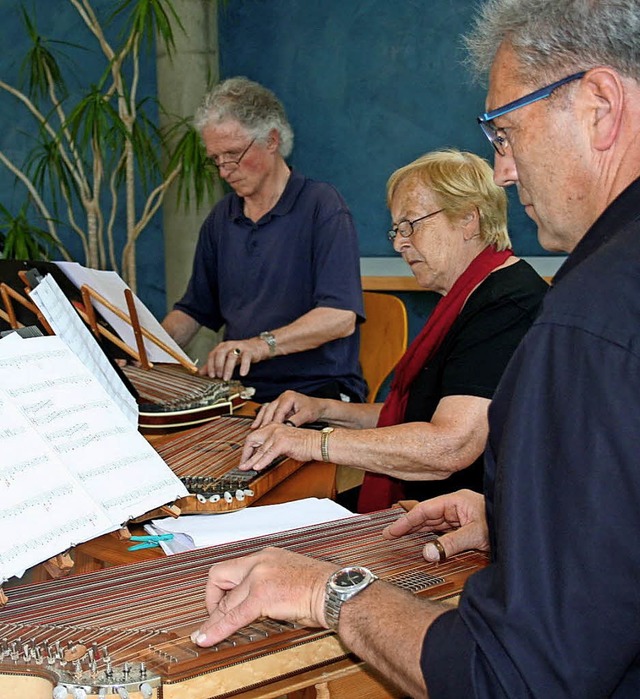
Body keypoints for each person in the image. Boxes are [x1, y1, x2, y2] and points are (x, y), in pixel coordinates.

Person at [191, 1, 640, 696]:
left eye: (506, 131)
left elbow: (515, 676)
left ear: (601, 105)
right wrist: (507, 519)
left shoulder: (583, 314)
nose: (507, 170)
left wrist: (327, 590)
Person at [236, 148, 547, 511]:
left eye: (411, 224)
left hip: (460, 521)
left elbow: (449, 446)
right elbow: (412, 416)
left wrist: (311, 444)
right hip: (428, 502)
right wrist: (320, 409)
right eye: (397, 230)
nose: (400, 243)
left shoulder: (507, 305)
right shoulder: (468, 295)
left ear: (468, 220)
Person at [162, 77, 366, 403]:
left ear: (271, 140)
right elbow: (194, 310)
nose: (224, 170)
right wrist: (148, 348)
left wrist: (258, 346)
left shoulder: (322, 206)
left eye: (232, 154)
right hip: (242, 391)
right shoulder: (222, 218)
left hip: (315, 392)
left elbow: (339, 318)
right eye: (215, 159)